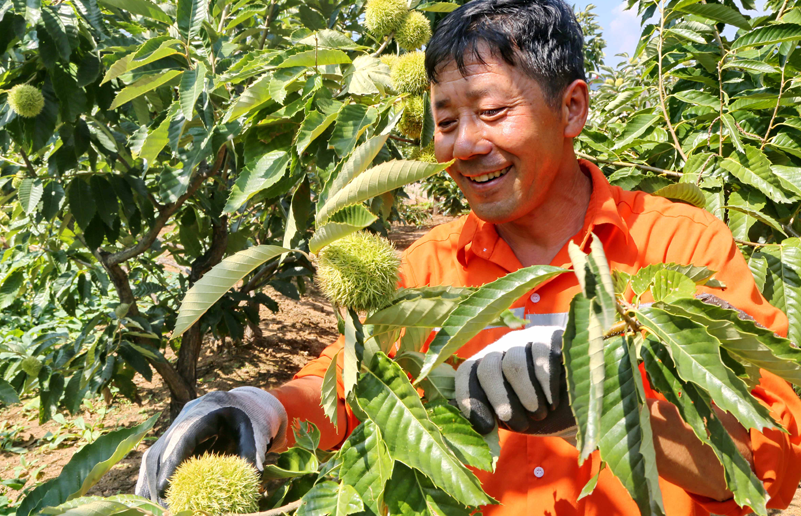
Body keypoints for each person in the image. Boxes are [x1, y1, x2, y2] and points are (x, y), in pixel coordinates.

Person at [135, 0, 801, 514]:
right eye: (446, 120)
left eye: (490, 111)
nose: (463, 145)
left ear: (571, 109)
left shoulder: (679, 246)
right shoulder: (430, 265)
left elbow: (767, 467)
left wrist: (602, 398)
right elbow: (352, 380)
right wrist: (262, 410)